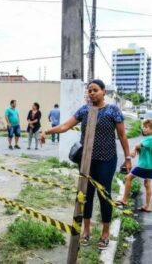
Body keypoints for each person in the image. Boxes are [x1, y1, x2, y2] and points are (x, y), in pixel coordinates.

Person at [40, 79, 131, 250]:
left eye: (95, 90)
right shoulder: (84, 110)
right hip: (86, 160)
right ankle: (86, 231)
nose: (91, 93)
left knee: (104, 195)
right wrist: (47, 130)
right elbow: (65, 126)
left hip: (106, 159)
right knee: (85, 196)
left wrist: (127, 158)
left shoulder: (113, 110)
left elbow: (122, 136)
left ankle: (105, 232)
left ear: (104, 92)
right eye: (89, 90)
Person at [116, 119, 152, 212]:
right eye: (143, 127)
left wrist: (133, 150)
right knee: (147, 184)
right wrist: (135, 150)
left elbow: (138, 145)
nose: (144, 129)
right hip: (150, 166)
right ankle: (148, 206)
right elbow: (140, 147)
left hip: (143, 165)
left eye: (146, 127)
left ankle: (124, 200)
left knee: (128, 177)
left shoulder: (149, 139)